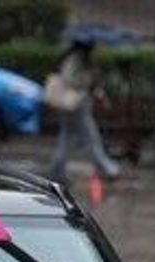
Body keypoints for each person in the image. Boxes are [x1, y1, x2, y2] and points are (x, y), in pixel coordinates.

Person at [47, 39, 121, 181]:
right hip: (76, 105)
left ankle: (57, 169)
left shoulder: (75, 59)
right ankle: (106, 169)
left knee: (67, 137)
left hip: (73, 105)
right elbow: (72, 80)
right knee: (91, 137)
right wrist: (88, 79)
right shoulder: (76, 60)